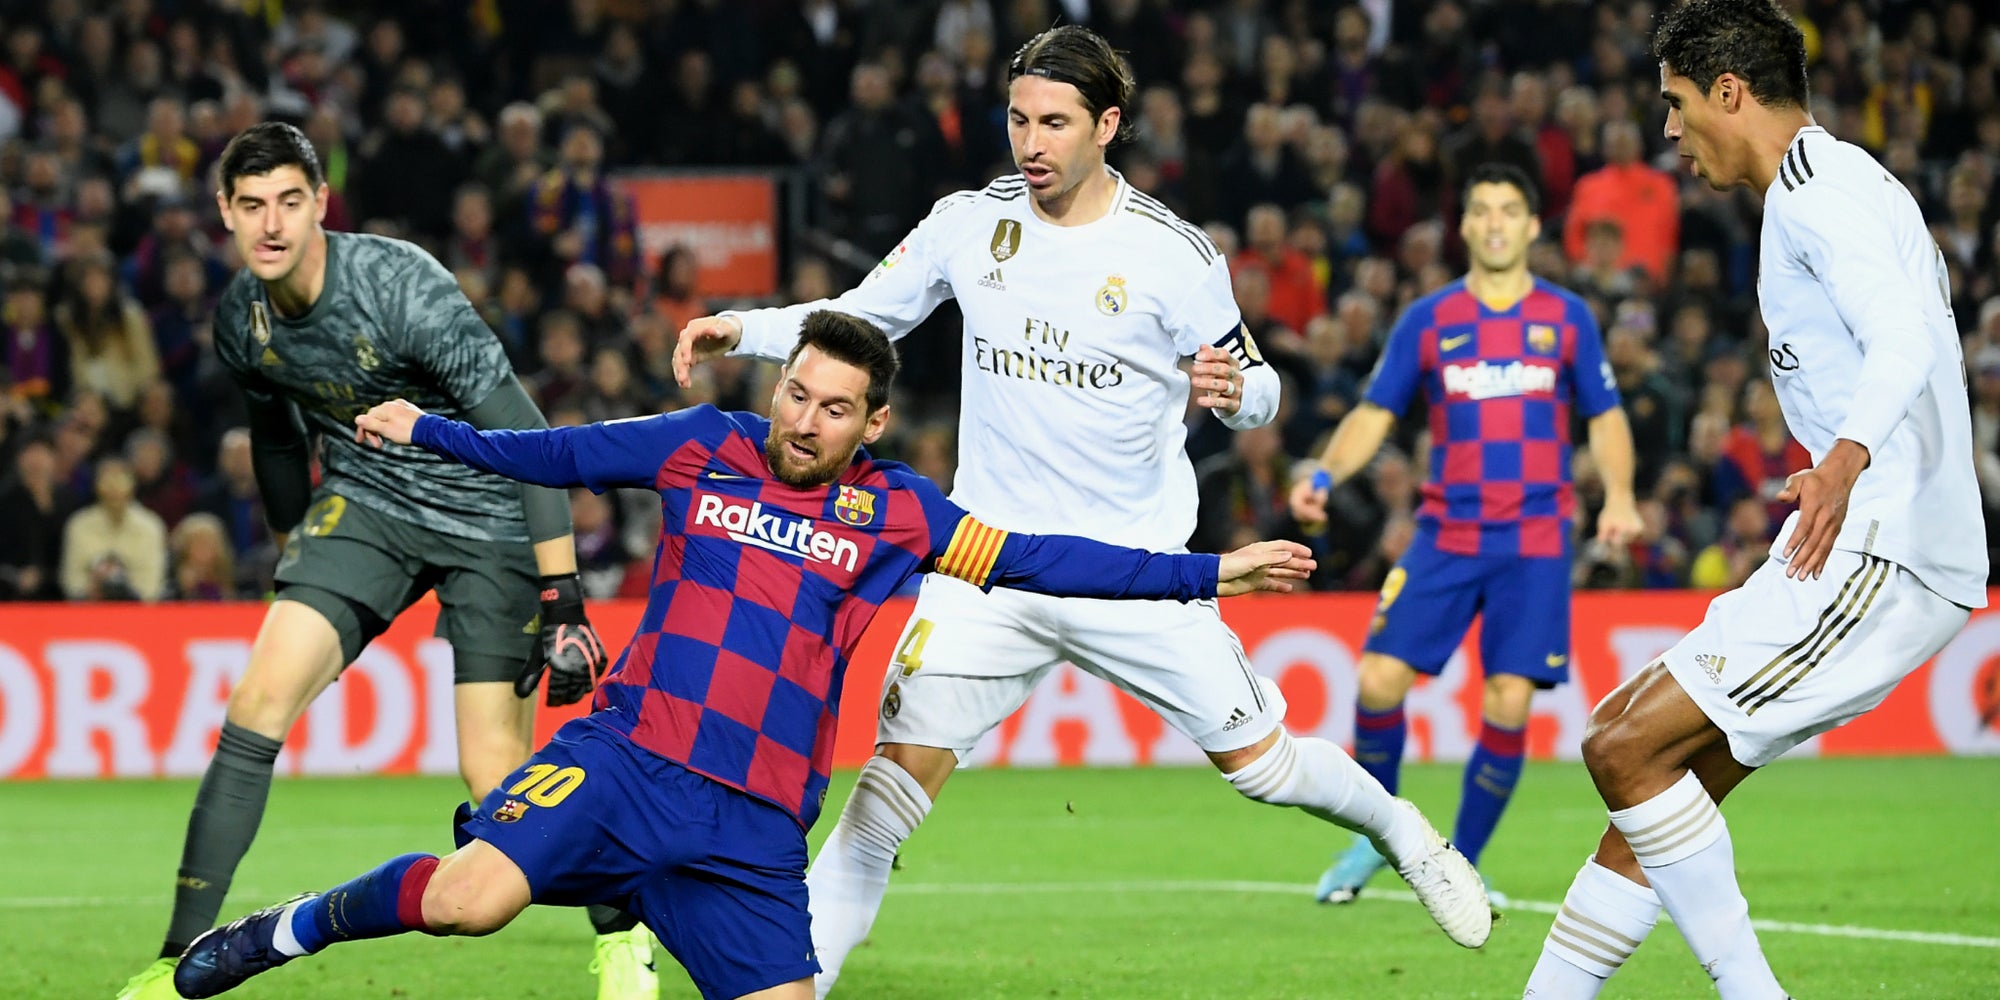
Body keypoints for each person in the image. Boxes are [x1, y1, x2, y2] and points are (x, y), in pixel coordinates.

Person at [675, 26, 1494, 997]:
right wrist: (747, 330)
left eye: (1054, 123)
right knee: (880, 806)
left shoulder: (1170, 254)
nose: (1031, 142)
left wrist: (1238, 393)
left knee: (1263, 765)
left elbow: (1265, 384)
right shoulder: (968, 223)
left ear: (1107, 125)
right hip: (990, 563)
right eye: (1019, 119)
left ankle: (1400, 828)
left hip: (1132, 569)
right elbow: (865, 312)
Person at [171, 310, 1319, 1000]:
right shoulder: (702, 448)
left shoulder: (903, 514)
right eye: (794, 392)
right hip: (630, 761)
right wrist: (427, 430)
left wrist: (1208, 573)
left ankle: (643, 904)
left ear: (871, 425)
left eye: (833, 408)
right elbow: (554, 453)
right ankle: (284, 929)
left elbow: (1042, 560)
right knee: (470, 901)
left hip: (754, 823)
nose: (802, 419)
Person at [113, 122, 648, 1000]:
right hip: (367, 506)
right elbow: (277, 440)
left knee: (498, 784)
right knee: (254, 707)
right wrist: (297, 530)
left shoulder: (401, 289)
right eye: (251, 206)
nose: (272, 225)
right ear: (224, 213)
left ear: (321, 203)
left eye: (290, 201)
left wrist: (563, 599)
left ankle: (623, 937)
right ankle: (176, 966)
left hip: (490, 518)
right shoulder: (239, 321)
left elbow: (529, 437)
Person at [1522, 3, 1985, 997]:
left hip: (1881, 544)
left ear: (1726, 92)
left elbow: (1902, 334)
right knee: (1658, 790)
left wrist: (1845, 457)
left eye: (1675, 104)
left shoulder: (1819, 193)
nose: (1669, 130)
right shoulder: (1829, 188)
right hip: (1842, 534)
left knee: (1619, 743)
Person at [1290, 162, 1643, 907]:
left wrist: (1618, 494)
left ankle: (1461, 862)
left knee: (1509, 699)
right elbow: (1374, 412)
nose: (1493, 223)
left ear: (1532, 225)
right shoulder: (1429, 319)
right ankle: (1378, 835)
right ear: (1464, 227)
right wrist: (1325, 473)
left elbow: (1605, 416)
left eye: (1508, 210)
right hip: (1448, 531)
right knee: (1377, 679)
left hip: (1536, 539)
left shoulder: (1568, 317)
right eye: (1480, 210)